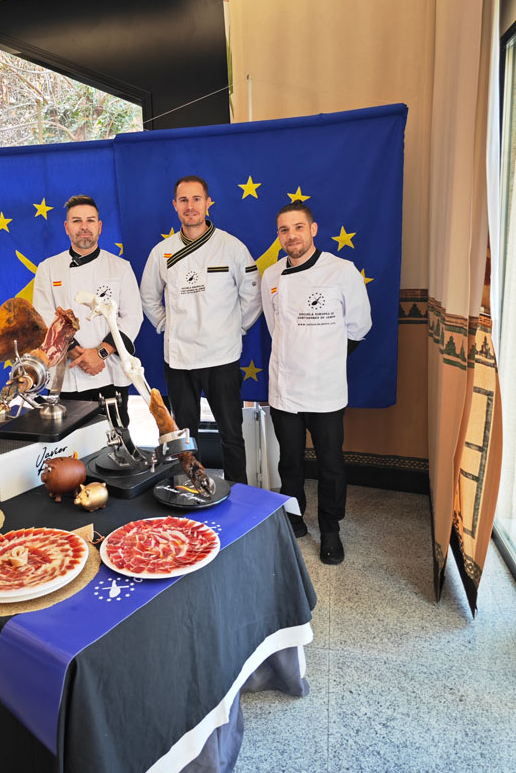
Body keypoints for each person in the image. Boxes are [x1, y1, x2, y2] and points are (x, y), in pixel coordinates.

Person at [261, 200, 371, 564]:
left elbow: (359, 326)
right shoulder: (271, 276)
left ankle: (330, 528)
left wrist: (324, 357)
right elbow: (275, 327)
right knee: (289, 461)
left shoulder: (341, 271)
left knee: (330, 463)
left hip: (326, 389)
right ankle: (294, 517)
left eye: (297, 227)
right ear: (279, 236)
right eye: (284, 230)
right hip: (285, 388)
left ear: (313, 229)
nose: (291, 236)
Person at [140, 175, 262, 484]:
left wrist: (236, 327)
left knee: (231, 434)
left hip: (222, 355)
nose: (190, 206)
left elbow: (252, 293)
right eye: (183, 200)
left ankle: (239, 492)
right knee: (184, 436)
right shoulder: (161, 252)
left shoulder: (231, 247)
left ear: (208, 203)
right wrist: (167, 325)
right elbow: (148, 296)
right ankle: (187, 489)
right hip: (179, 359)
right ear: (175, 206)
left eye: (196, 199)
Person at [32, 194, 143, 427]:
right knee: (70, 450)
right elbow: (43, 318)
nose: (84, 227)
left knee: (114, 445)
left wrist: (99, 353)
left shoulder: (120, 268)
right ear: (66, 227)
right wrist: (75, 352)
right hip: (67, 375)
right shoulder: (48, 269)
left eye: (90, 221)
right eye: (77, 221)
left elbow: (132, 317)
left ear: (99, 227)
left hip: (110, 371)